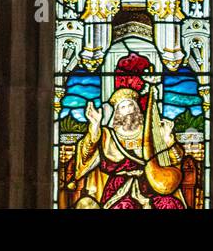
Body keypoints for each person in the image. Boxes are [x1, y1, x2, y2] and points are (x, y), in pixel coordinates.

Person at [70, 54, 187, 209]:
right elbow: (86, 155)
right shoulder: (108, 136)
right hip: (119, 190)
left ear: (137, 108)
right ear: (117, 113)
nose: (128, 111)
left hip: (151, 186)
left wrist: (168, 140)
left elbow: (175, 160)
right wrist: (95, 125)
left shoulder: (150, 133)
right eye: (123, 107)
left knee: (170, 204)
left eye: (130, 106)